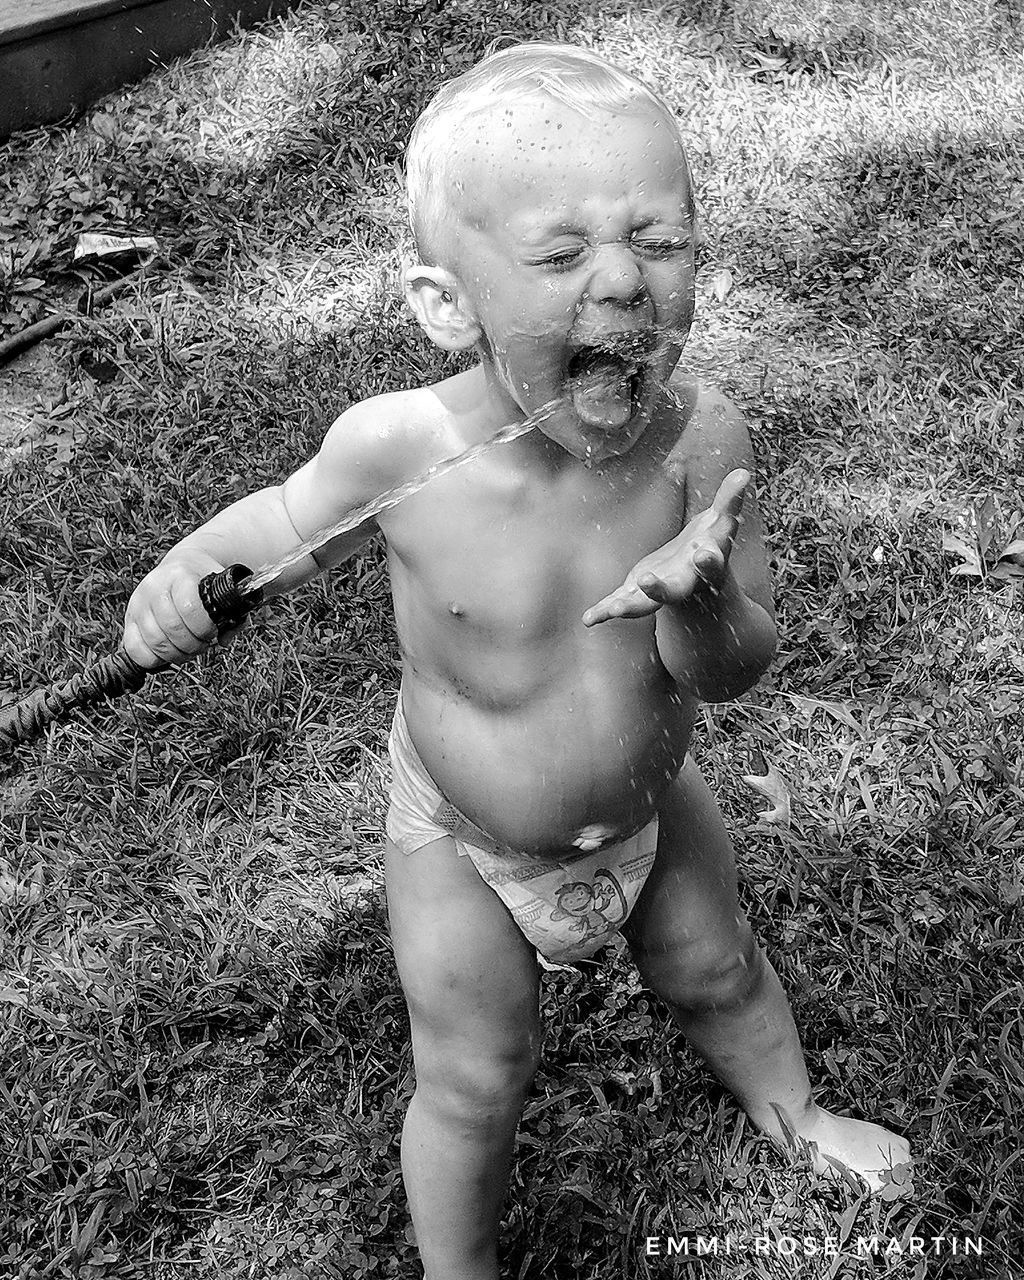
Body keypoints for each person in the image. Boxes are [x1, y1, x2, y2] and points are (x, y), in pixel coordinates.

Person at [123, 42, 911, 1280]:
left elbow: (732, 667)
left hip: (652, 799)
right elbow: (279, 526)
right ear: (448, 303)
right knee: (477, 1070)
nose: (622, 283)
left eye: (661, 239)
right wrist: (185, 578)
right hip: (462, 838)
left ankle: (797, 1114)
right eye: (560, 256)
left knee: (718, 966)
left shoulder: (703, 442)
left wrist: (699, 601)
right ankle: (461, 1264)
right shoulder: (400, 449)